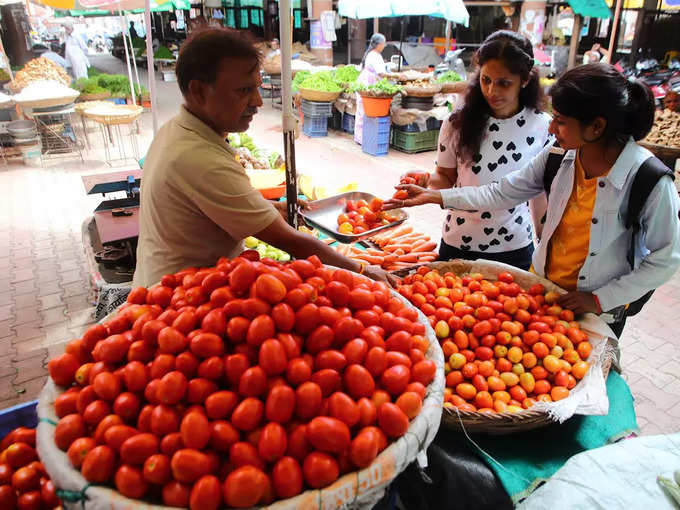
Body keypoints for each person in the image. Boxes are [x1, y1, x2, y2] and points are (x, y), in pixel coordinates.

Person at [385, 63, 680, 337]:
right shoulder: (559, 156)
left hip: (598, 310)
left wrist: (599, 299)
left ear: (597, 127)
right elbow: (502, 191)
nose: (551, 129)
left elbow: (665, 258)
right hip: (543, 291)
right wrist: (435, 195)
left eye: (561, 122)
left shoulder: (649, 180)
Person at [133, 27, 396, 288]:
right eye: (243, 90)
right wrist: (361, 269)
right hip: (175, 300)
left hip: (186, 288)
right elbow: (293, 242)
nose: (258, 101)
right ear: (199, 91)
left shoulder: (178, 130)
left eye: (257, 88)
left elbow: (204, 211)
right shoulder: (198, 157)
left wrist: (268, 210)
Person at [404, 30, 551, 271]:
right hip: (458, 242)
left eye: (504, 83)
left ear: (524, 81)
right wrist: (425, 180)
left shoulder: (543, 126)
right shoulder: (457, 123)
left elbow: (538, 192)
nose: (492, 91)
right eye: (486, 80)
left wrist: (544, 240)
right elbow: (445, 178)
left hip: (515, 247)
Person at [354, 33, 387, 145]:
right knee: (364, 111)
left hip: (367, 83)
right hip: (366, 84)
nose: (384, 45)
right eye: (383, 43)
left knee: (362, 111)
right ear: (379, 44)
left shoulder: (372, 54)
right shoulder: (374, 55)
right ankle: (362, 138)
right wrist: (397, 76)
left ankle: (362, 137)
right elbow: (381, 73)